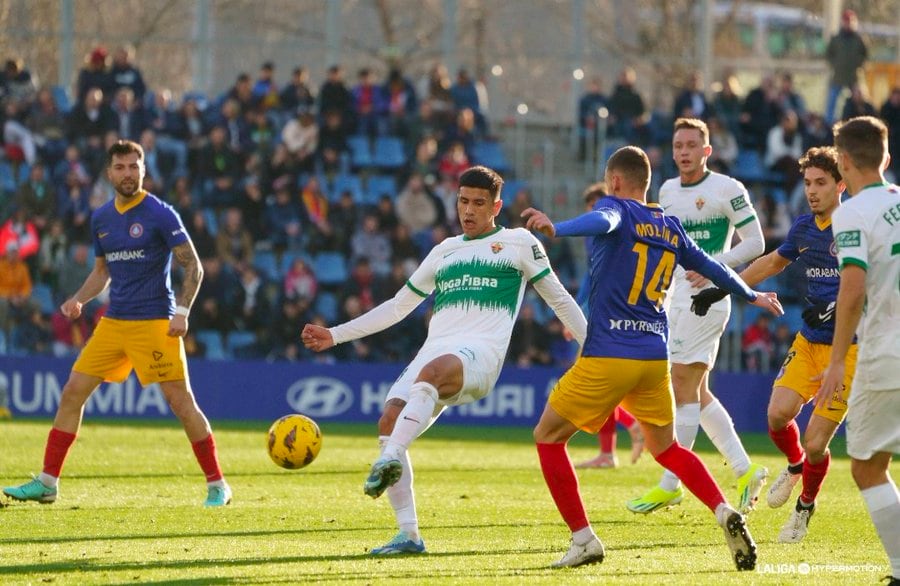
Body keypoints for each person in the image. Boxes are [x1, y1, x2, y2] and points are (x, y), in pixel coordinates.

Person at [300, 165, 588, 555]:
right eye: (463, 201)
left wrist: (594, 344)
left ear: (496, 206)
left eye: (478, 203)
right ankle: (409, 535)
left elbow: (559, 297)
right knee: (389, 418)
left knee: (426, 382)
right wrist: (335, 334)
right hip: (435, 351)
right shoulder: (445, 250)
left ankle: (387, 460)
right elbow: (398, 307)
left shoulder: (519, 243)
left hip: (480, 354)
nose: (468, 210)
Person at [520, 146, 783, 570]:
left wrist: (557, 227)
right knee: (668, 448)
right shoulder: (670, 226)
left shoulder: (616, 209)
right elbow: (715, 270)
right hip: (654, 358)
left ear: (616, 182)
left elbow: (601, 220)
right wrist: (752, 294)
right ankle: (722, 510)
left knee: (547, 435)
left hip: (609, 353)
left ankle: (584, 540)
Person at [2, 140, 231, 508]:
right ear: (109, 173)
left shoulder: (160, 213)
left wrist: (182, 312)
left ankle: (217, 484)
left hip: (156, 321)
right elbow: (102, 272)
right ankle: (47, 482)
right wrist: (79, 299)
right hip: (115, 322)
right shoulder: (102, 218)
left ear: (144, 170)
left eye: (134, 166)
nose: (128, 173)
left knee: (180, 402)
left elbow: (194, 266)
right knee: (72, 392)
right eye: (120, 167)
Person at [692, 146, 854, 543]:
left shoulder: (854, 229)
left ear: (841, 185)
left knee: (817, 442)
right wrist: (726, 286)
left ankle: (805, 506)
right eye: (808, 183)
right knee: (778, 416)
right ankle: (795, 466)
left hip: (849, 350)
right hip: (811, 340)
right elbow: (769, 264)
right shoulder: (803, 228)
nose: (812, 191)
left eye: (821, 183)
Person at [627, 118, 768, 515]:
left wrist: (713, 265)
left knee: (681, 384)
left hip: (707, 297)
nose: (685, 151)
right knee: (697, 390)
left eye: (692, 145)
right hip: (673, 298)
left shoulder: (727, 188)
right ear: (672, 152)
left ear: (707, 151)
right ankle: (744, 469)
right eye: (679, 145)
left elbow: (756, 242)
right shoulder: (667, 191)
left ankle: (672, 483)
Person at [816, 116, 900, 585]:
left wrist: (834, 360)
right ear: (885, 157)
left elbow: (851, 289)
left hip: (887, 351)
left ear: (843, 164)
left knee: (868, 465)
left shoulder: (851, 213)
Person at [571, 182, 644, 469]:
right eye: (589, 208)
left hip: (606, 316)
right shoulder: (598, 237)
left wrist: (578, 313)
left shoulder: (611, 233)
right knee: (600, 386)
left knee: (592, 382)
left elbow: (596, 280)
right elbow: (591, 277)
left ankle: (628, 427)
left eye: (595, 207)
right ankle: (609, 451)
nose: (593, 213)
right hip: (606, 314)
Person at [824, 9, 868, 125]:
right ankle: (828, 125)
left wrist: (858, 64)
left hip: (854, 77)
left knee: (860, 101)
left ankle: (860, 121)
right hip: (838, 76)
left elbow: (865, 55)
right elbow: (828, 54)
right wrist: (835, 64)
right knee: (832, 102)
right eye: (846, 21)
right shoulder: (836, 38)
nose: (848, 24)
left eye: (850, 21)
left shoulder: (858, 39)